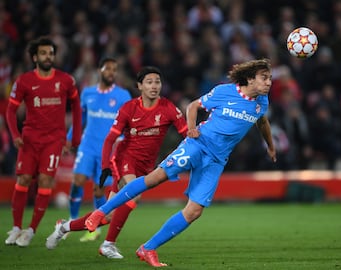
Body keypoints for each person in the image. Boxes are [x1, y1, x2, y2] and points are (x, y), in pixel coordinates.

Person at [84, 58, 276, 267]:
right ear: (249, 79)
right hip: (198, 144)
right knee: (154, 179)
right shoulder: (225, 92)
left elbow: (262, 121)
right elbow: (193, 106)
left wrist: (271, 145)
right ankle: (100, 212)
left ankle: (148, 248)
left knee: (194, 211)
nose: (269, 83)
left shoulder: (261, 102)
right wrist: (191, 128)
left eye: (270, 79)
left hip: (217, 159)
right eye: (264, 78)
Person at [45, 66, 188, 258]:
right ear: (140, 86)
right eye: (149, 82)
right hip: (124, 159)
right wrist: (105, 166)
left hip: (145, 167)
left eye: (157, 82)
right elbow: (110, 139)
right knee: (134, 196)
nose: (154, 86)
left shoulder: (169, 108)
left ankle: (64, 227)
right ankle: (108, 244)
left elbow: (187, 135)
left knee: (108, 215)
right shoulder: (129, 108)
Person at [5, 36, 82, 247]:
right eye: (43, 53)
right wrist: (15, 135)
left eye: (50, 53)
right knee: (23, 180)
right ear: (34, 57)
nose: (48, 57)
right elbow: (10, 110)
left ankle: (31, 230)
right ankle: (16, 228)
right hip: (29, 140)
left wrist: (73, 138)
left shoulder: (66, 80)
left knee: (46, 181)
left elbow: (76, 107)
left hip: (53, 140)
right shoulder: (24, 81)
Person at [66, 57, 131, 242]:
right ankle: (72, 219)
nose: (111, 72)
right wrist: (70, 139)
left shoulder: (123, 95)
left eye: (114, 69)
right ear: (100, 70)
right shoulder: (87, 93)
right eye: (108, 68)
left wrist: (124, 142)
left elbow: (128, 122)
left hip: (108, 150)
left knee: (99, 190)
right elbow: (80, 119)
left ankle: (94, 228)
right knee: (77, 180)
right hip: (88, 145)